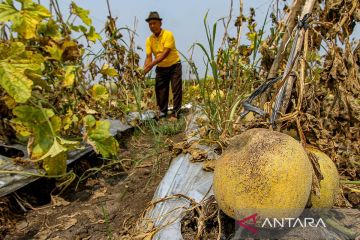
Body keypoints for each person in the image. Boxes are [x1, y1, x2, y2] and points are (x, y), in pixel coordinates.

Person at [143, 11, 182, 119]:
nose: (152, 26)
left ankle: (176, 114)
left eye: (154, 23)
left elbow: (165, 54)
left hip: (174, 65)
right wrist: (143, 71)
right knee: (160, 90)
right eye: (150, 24)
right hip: (161, 68)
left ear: (160, 23)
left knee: (176, 90)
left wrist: (151, 65)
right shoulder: (149, 40)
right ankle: (162, 113)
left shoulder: (168, 34)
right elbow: (148, 57)